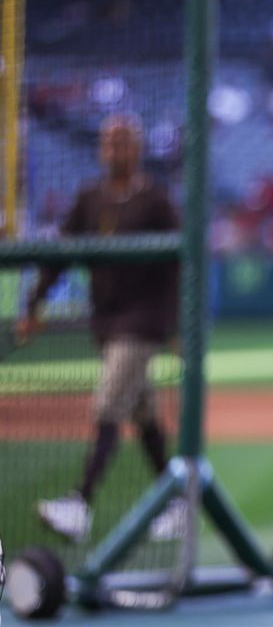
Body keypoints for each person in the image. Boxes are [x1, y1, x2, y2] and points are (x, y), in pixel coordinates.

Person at [19, 113, 185, 543]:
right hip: (107, 322)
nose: (114, 150)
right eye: (108, 142)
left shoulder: (155, 200)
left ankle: (80, 503)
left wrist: (176, 326)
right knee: (143, 415)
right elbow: (61, 253)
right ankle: (177, 503)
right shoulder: (90, 198)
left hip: (143, 324)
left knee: (108, 404)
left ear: (138, 148)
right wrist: (34, 303)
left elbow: (178, 266)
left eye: (122, 141)